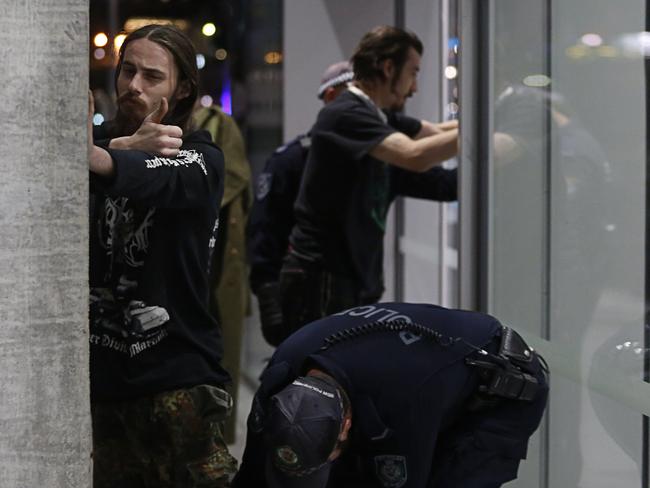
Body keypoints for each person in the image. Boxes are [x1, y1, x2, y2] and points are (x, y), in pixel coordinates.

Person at [88, 24, 237, 487]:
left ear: (182, 89)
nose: (134, 85)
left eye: (152, 76)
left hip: (179, 381)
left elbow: (157, 178)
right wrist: (118, 147)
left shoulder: (200, 157)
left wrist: (106, 154)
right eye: (128, 71)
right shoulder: (100, 151)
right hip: (106, 386)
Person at [232, 302, 549, 488]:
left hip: (499, 391)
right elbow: (253, 474)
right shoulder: (284, 368)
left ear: (345, 426)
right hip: (413, 377)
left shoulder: (403, 405)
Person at [281, 26, 459, 338]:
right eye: (412, 73)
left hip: (350, 277)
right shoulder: (345, 114)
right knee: (321, 379)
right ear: (388, 68)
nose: (414, 87)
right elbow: (415, 154)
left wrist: (498, 125)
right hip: (325, 277)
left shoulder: (376, 115)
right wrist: (487, 130)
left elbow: (436, 131)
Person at [248, 61, 354, 347]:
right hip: (303, 300)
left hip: (352, 298)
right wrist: (269, 299)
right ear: (332, 97)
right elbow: (263, 232)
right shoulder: (291, 161)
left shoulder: (365, 161)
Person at [194, 103, 252, 444]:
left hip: (217, 263)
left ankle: (216, 434)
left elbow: (234, 180)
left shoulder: (219, 124)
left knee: (222, 353)